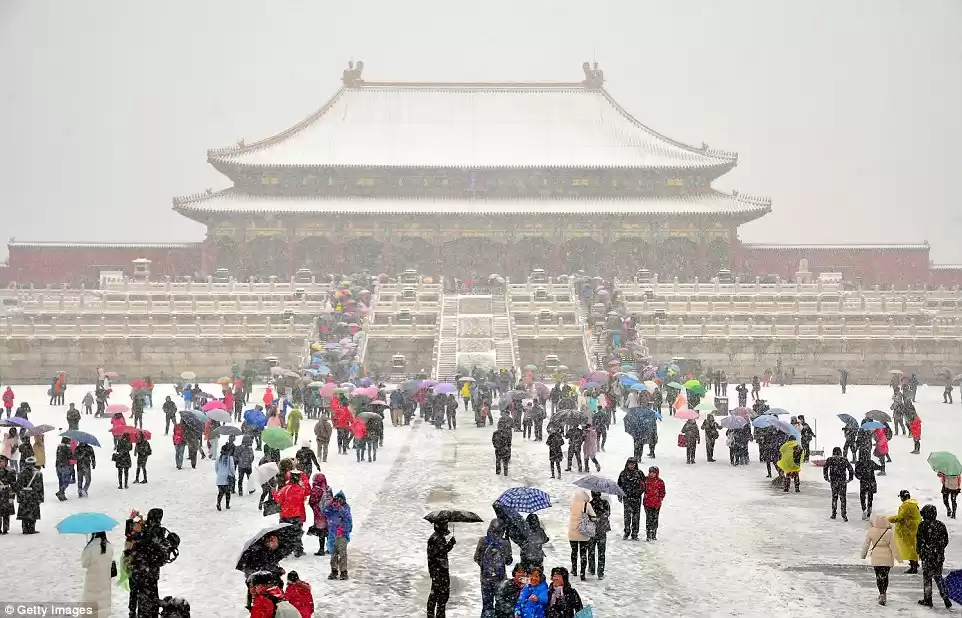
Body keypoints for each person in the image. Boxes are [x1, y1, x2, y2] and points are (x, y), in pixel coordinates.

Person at [861, 514, 902, 606]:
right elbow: (894, 547)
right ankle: (884, 593)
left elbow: (866, 544)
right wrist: (899, 559)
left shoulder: (871, 531)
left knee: (878, 576)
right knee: (885, 576)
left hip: (876, 557)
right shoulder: (889, 532)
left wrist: (863, 555)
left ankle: (881, 593)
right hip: (887, 558)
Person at [916, 504, 952, 609]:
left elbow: (919, 541)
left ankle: (928, 599)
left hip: (927, 556)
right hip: (938, 556)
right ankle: (945, 595)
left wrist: (921, 551)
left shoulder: (922, 525)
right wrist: (938, 549)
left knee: (927, 578)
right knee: (938, 576)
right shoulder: (940, 525)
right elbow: (945, 541)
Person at [474, 519, 512, 617]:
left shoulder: (483, 540)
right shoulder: (505, 543)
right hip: (500, 580)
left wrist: (486, 567)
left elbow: (476, 558)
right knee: (500, 606)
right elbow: (508, 562)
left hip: (485, 579)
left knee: (487, 606)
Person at [274, 470, 310, 557]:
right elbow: (307, 492)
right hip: (297, 515)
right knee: (296, 533)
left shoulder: (285, 488)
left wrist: (274, 493)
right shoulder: (301, 489)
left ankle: (284, 551)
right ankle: (298, 550)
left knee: (284, 534)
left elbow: (278, 499)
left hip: (285, 515)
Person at [81, 531, 115, 618]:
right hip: (105, 581)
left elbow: (84, 564)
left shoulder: (91, 547)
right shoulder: (109, 546)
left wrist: (85, 550)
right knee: (103, 607)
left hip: (92, 583)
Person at [427, 521, 456, 618]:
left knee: (437, 595)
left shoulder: (436, 537)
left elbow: (440, 552)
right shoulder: (436, 538)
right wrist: (450, 544)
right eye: (445, 525)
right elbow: (440, 552)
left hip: (438, 571)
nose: (447, 527)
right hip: (439, 571)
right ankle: (437, 615)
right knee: (440, 596)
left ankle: (434, 614)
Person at [889, 489, 922, 574]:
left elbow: (900, 517)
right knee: (912, 547)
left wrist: (888, 519)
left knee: (909, 548)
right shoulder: (913, 504)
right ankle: (914, 563)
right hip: (914, 528)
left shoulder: (906, 505)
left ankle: (913, 566)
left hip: (908, 530)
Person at [323, 491, 352, 580]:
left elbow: (347, 518)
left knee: (343, 554)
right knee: (333, 554)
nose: (338, 501)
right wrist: (330, 503)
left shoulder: (346, 508)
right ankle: (334, 570)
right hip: (333, 535)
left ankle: (343, 572)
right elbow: (324, 511)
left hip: (342, 535)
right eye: (337, 500)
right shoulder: (332, 509)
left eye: (340, 500)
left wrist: (340, 508)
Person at [567, 489, 594, 579]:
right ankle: (582, 573)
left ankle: (574, 570)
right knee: (583, 553)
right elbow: (593, 517)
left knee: (574, 552)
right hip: (583, 532)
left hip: (572, 532)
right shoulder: (587, 505)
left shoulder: (572, 504)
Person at [823, 447, 854, 521]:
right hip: (842, 481)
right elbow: (850, 469)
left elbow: (825, 468)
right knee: (843, 497)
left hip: (834, 481)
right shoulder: (844, 459)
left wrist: (826, 477)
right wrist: (850, 478)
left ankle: (834, 513)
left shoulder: (830, 459)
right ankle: (844, 514)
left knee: (834, 497)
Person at [617, 457, 644, 541]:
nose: (631, 466)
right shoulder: (623, 473)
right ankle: (627, 531)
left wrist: (639, 492)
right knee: (627, 516)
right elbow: (619, 486)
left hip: (636, 498)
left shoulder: (639, 473)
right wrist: (620, 495)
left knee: (636, 516)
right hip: (627, 498)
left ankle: (635, 533)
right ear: (627, 464)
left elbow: (644, 485)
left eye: (633, 464)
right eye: (630, 464)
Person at [15, 456, 43, 534]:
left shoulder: (21, 473)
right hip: (34, 496)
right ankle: (31, 528)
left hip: (24, 495)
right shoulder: (38, 473)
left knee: (24, 513)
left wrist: (19, 497)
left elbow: (18, 487)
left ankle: (24, 529)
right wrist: (41, 497)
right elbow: (40, 487)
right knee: (33, 513)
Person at [307, 473, 332, 556]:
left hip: (319, 513)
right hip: (328, 513)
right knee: (328, 530)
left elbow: (311, 501)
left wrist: (315, 507)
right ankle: (330, 548)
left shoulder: (315, 489)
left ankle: (321, 549)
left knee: (321, 531)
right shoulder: (328, 489)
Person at [587, 491, 610, 580]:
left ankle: (592, 568)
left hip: (592, 531)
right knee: (601, 552)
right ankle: (600, 572)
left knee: (591, 551)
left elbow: (586, 516)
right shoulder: (605, 503)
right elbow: (607, 514)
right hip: (602, 530)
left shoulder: (589, 504)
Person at [214, 444, 235, 511]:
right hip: (227, 478)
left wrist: (219, 474)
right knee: (228, 492)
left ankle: (218, 503)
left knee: (220, 493)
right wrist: (233, 474)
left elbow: (216, 468)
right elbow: (232, 468)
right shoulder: (230, 458)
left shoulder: (218, 457)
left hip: (220, 478)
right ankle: (227, 505)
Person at [0, 455, 16, 534]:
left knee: (6, 513)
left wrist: (12, 496)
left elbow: (13, 485)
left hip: (6, 493)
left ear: (6, 462)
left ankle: (5, 529)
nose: (1, 463)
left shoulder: (11, 471)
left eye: (2, 461)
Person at [54, 437, 73, 501]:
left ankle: (62, 495)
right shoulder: (68, 448)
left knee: (61, 481)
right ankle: (61, 492)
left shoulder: (59, 448)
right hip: (65, 466)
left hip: (58, 466)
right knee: (67, 481)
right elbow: (70, 458)